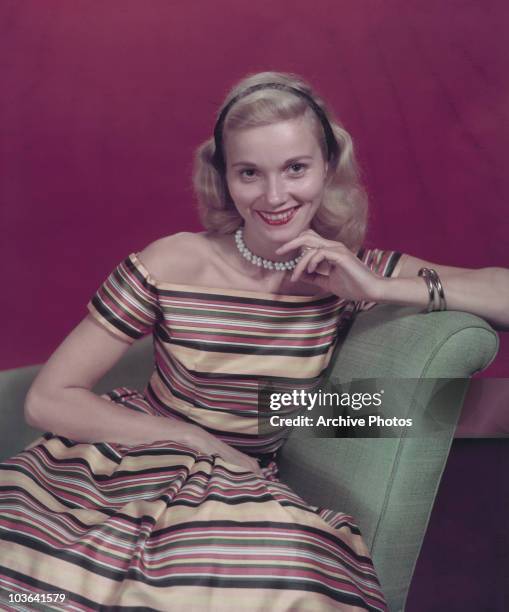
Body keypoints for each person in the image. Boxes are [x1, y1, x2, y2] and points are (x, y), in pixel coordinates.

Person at [0, 70, 508, 612]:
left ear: (328, 167)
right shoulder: (172, 261)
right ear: (223, 178)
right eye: (249, 173)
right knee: (41, 582)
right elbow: (47, 399)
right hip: (116, 462)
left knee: (292, 580)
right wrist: (198, 442)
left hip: (232, 491)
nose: (274, 196)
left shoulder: (347, 273)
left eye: (295, 168)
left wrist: (380, 287)